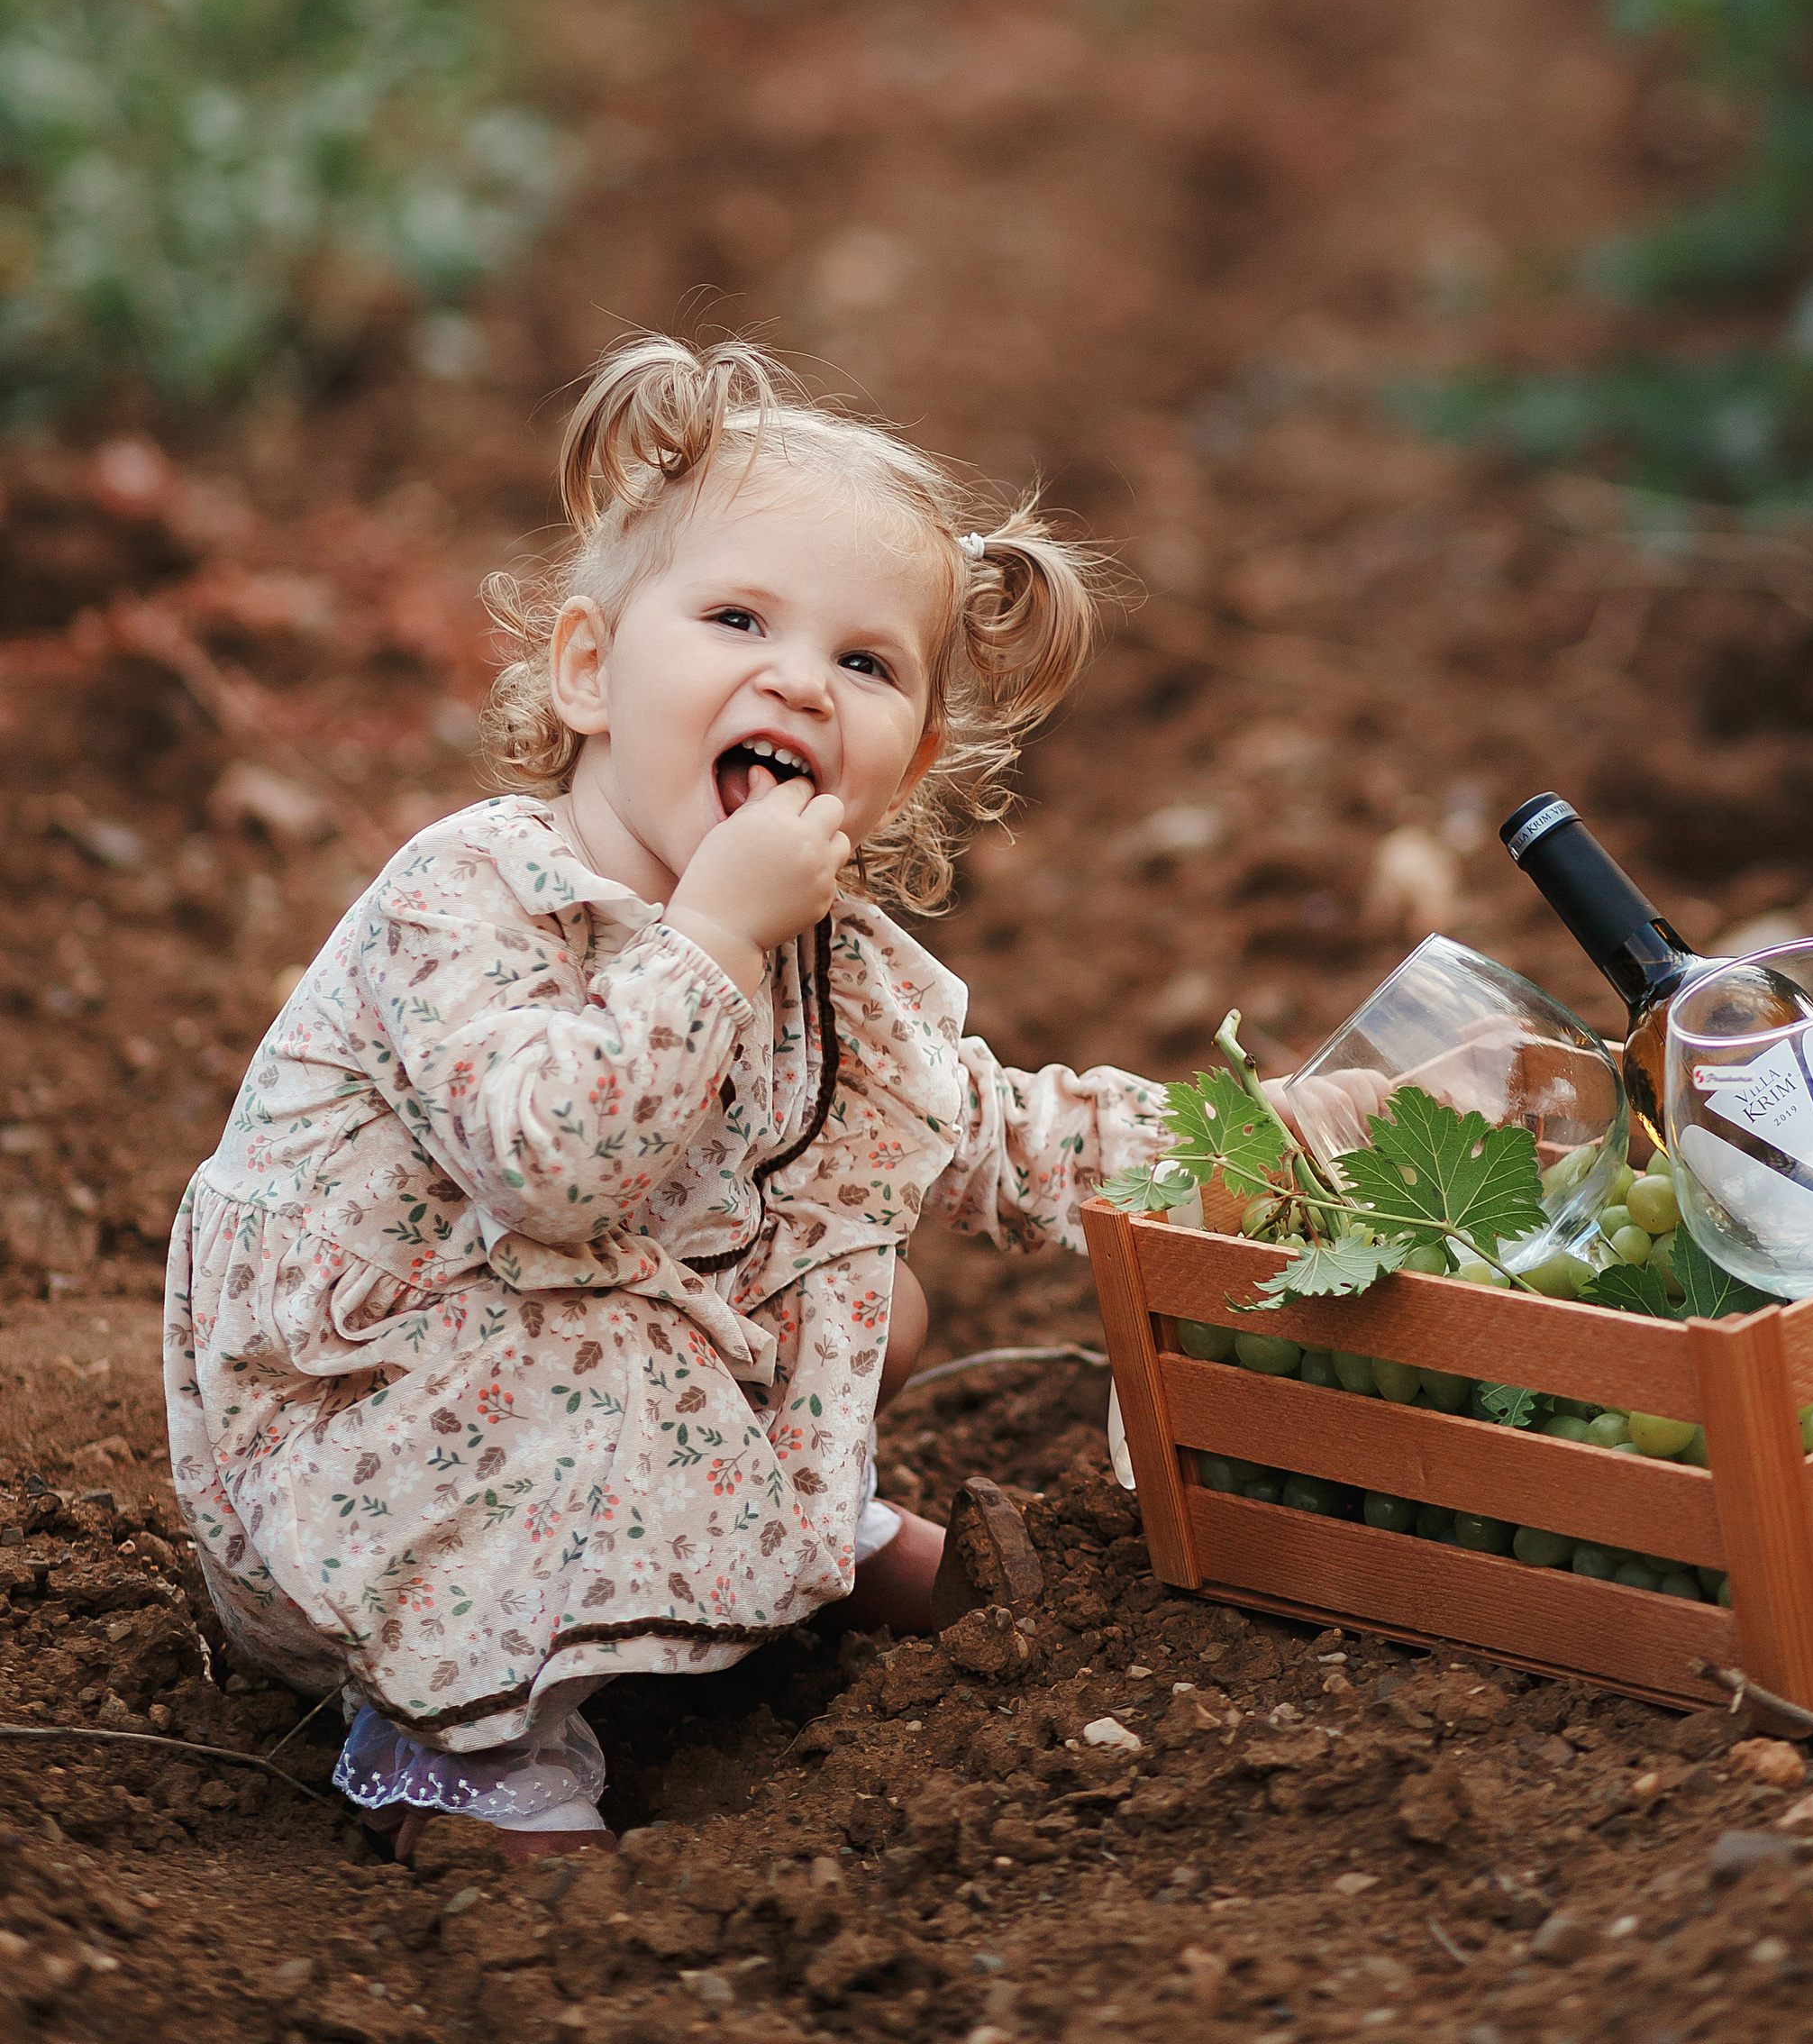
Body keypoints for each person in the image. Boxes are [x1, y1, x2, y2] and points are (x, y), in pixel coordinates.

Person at [165, 334, 1162, 1857]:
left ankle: (777, 1533)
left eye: (866, 663)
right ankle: (451, 1731)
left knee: (868, 1296)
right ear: (588, 671)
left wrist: (1243, 1141)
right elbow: (554, 1172)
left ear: (915, 756)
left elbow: (984, 1135)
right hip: (361, 1447)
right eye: (738, 618)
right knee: (600, 1334)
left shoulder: (831, 964)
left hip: (571, 1381)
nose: (797, 679)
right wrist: (710, 942)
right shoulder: (473, 896)